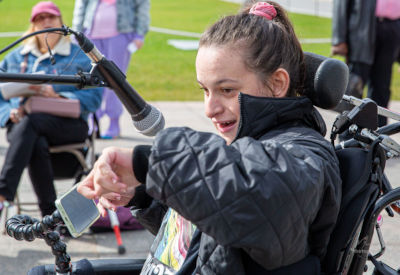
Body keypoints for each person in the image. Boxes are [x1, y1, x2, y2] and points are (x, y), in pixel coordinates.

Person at [78, 1, 341, 274]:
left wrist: (148, 163)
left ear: (277, 84)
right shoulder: (245, 144)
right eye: (205, 90)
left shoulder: (306, 153)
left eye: (226, 90)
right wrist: (142, 195)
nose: (209, 109)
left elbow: (255, 194)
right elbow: (210, 239)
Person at [0, 1, 102, 217]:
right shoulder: (16, 57)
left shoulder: (80, 55)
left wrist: (57, 95)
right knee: (34, 135)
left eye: (51, 17)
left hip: (69, 127)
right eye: (40, 18)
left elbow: (94, 97)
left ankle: (2, 194)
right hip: (24, 129)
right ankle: (51, 218)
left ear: (61, 22)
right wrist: (9, 112)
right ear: (33, 26)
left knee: (32, 122)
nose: (46, 21)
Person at [72, 0, 150, 139]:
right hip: (91, 36)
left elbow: (142, 6)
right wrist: (76, 32)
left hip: (120, 36)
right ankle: (93, 120)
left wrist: (139, 35)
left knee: (115, 81)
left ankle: (114, 123)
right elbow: (81, 5)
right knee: (91, 79)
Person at [331, 0, 400, 126]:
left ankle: (378, 136)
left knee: (382, 89)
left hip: (392, 28)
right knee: (354, 88)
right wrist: (339, 39)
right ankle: (347, 136)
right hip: (362, 30)